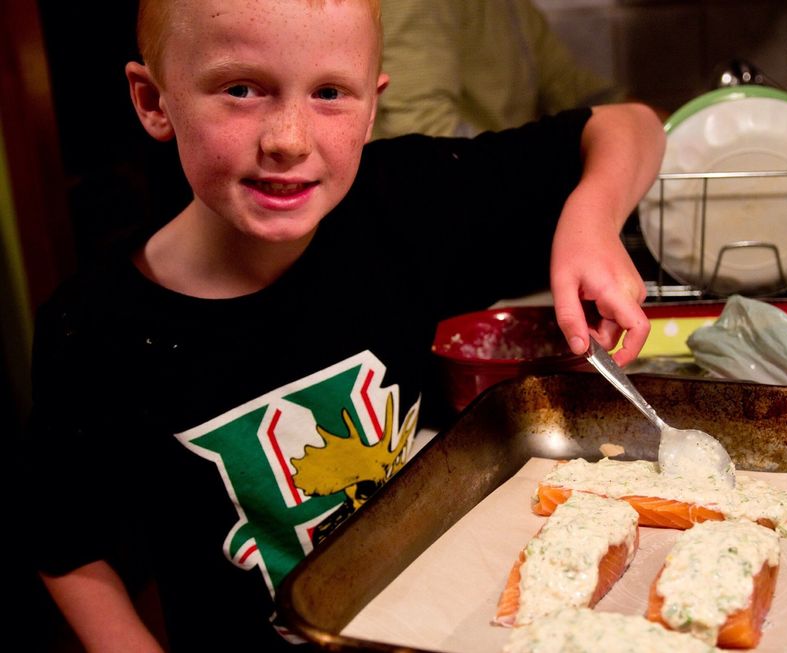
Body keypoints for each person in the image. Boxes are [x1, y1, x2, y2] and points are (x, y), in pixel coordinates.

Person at [22, 0, 664, 650]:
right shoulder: (93, 328)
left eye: (330, 93)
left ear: (371, 107)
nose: (289, 139)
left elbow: (629, 126)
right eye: (241, 89)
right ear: (154, 100)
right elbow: (68, 547)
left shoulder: (405, 204)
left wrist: (589, 221)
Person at [372, 0, 626, 139]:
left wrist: (629, 113)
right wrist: (518, 166)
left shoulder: (512, 7)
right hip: (448, 195)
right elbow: (418, 122)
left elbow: (563, 82)